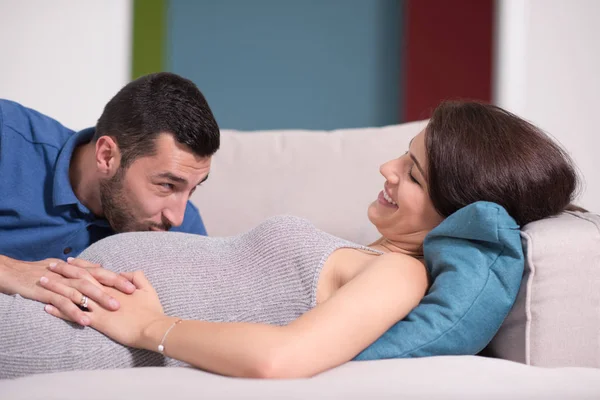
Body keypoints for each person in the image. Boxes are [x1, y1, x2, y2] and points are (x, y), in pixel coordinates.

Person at [0, 101, 580, 379]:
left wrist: (148, 327)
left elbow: (283, 357)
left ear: (454, 209)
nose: (387, 168)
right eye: (406, 155)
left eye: (414, 173)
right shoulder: (375, 253)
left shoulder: (403, 275)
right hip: (59, 303)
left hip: (84, 333)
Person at [0, 72, 220, 322]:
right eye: (167, 185)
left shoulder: (184, 230)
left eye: (192, 189)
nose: (177, 217)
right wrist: (10, 271)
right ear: (106, 156)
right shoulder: (7, 138)